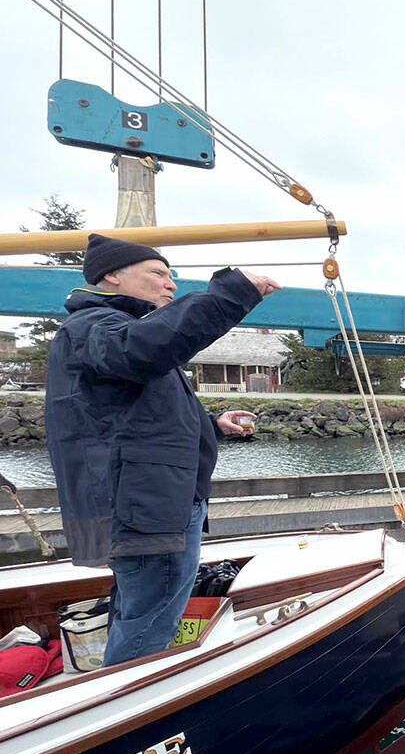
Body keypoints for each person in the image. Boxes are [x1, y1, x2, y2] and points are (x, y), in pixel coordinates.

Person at [45, 234, 279, 665]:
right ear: (112, 276)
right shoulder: (95, 328)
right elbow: (146, 349)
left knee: (139, 605)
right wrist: (231, 295)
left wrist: (212, 427)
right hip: (148, 506)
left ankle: (120, 684)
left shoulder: (105, 331)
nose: (170, 284)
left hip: (150, 501)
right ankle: (126, 704)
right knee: (152, 616)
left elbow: (132, 423)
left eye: (172, 276)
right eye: (158, 274)